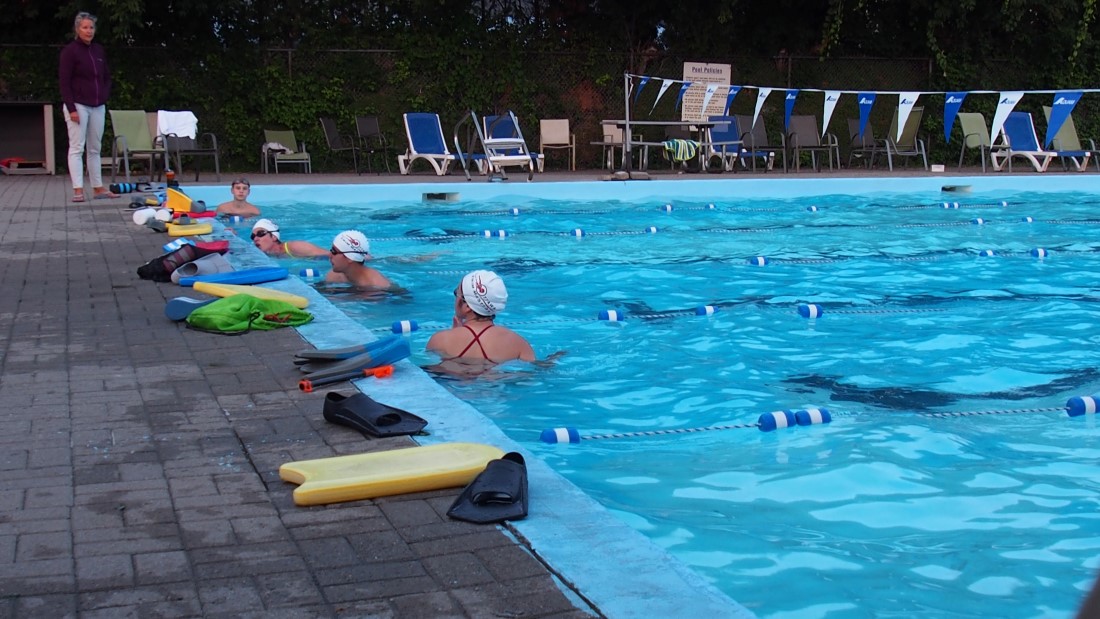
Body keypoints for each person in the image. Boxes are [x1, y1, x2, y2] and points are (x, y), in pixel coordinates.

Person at [59, 12, 119, 203]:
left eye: (91, 27)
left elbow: (106, 77)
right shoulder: (70, 51)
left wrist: (104, 94)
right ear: (77, 29)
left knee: (95, 148)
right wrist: (71, 108)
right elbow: (64, 82)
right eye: (85, 27)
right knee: (77, 147)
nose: (89, 31)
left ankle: (98, 187)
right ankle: (78, 189)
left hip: (97, 105)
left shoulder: (99, 50)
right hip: (78, 105)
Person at [426, 270, 536, 371]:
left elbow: (432, 372)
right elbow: (532, 373)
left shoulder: (440, 340)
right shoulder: (519, 344)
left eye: (456, 293)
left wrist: (454, 335)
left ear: (466, 306)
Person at [324, 230, 394, 289]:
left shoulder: (377, 286)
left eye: (334, 251)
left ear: (350, 258)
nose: (329, 255)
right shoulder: (334, 276)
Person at [250, 219, 328, 258]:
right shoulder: (264, 255)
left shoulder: (295, 247)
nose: (255, 239)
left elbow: (329, 255)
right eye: (253, 236)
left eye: (260, 233)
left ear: (274, 237)